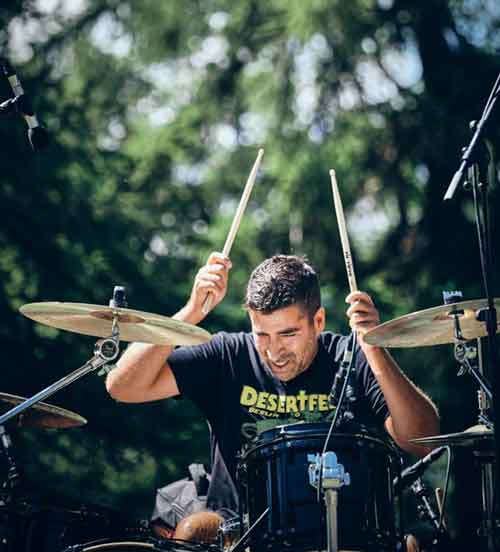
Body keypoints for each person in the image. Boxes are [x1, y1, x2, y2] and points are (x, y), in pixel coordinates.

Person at [106, 252, 439, 544]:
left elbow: (422, 440)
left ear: (318, 321)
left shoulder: (350, 357)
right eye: (262, 334)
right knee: (193, 530)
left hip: (345, 529)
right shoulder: (228, 355)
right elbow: (122, 387)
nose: (274, 351)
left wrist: (373, 348)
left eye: (288, 334)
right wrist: (189, 314)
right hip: (238, 530)